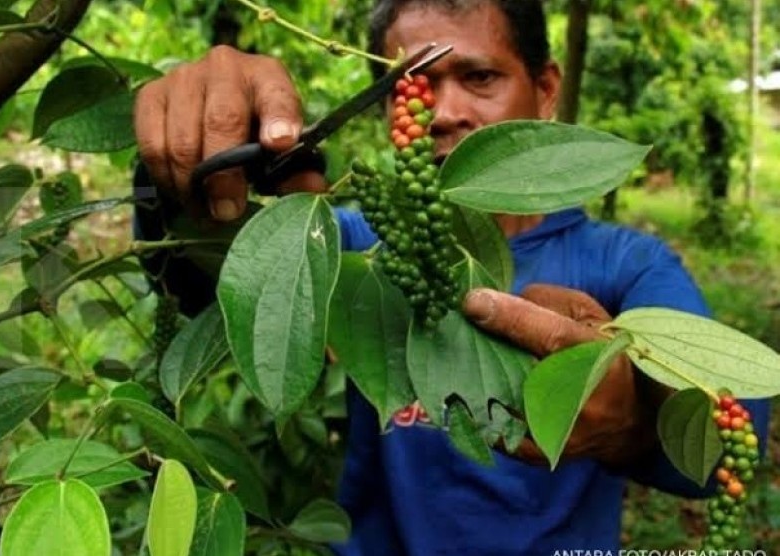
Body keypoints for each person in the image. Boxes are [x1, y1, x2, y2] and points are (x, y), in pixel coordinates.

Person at [132, 0, 770, 553]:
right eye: (408, 85)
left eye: (479, 76)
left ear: (546, 89)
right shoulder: (352, 244)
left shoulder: (624, 266)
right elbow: (209, 283)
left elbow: (729, 444)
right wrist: (183, 177)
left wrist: (632, 425)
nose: (440, 112)